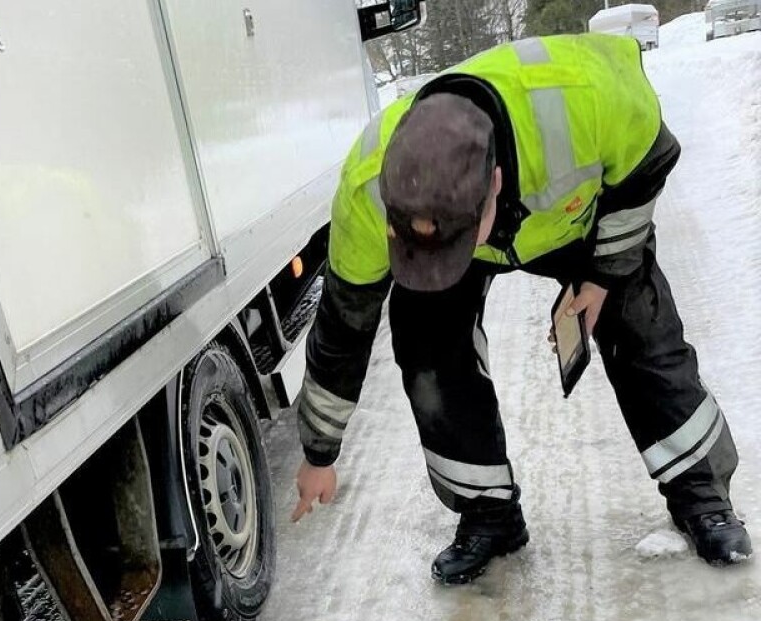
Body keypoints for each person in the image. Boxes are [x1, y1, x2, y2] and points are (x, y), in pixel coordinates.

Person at [289, 33, 751, 584]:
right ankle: (489, 513)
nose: (438, 265)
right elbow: (343, 325)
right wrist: (319, 453)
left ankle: (701, 493)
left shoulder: (589, 102)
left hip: (574, 218)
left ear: (495, 186)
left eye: (449, 248)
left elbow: (647, 164)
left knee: (638, 322)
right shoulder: (366, 189)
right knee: (426, 342)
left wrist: (604, 276)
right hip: (487, 222)